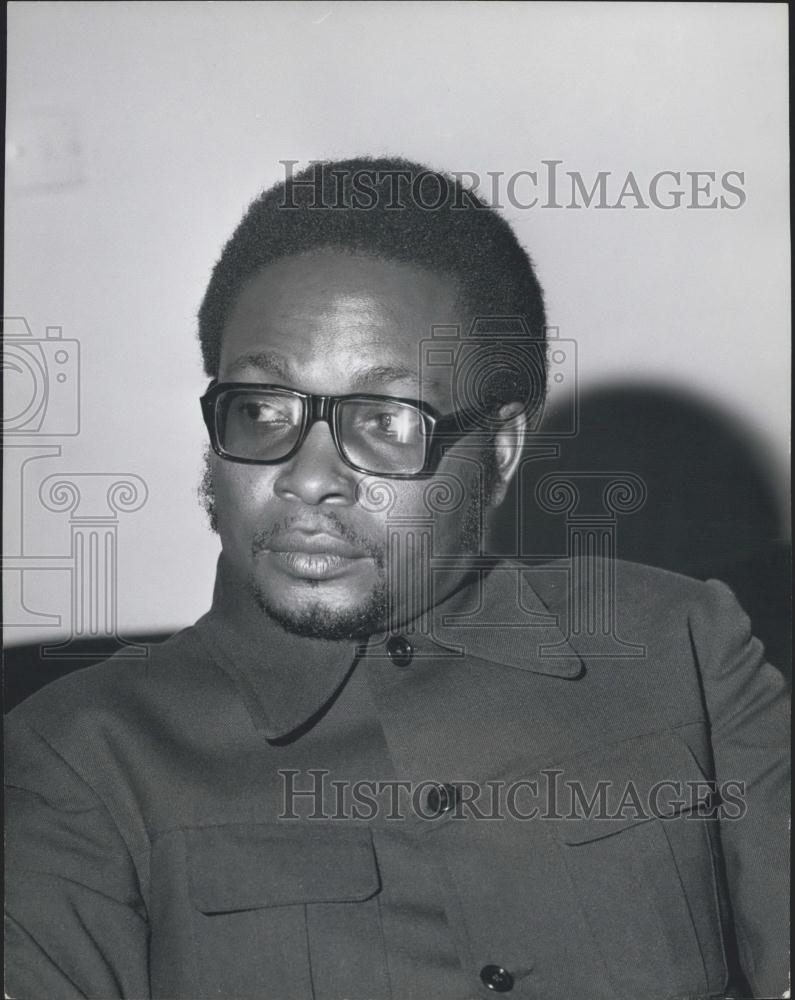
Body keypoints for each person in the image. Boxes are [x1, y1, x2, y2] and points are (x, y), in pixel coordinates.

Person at [5, 158, 789, 1000]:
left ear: (498, 450)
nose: (308, 479)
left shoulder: (684, 646)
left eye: (384, 420)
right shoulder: (79, 757)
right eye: (262, 410)